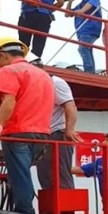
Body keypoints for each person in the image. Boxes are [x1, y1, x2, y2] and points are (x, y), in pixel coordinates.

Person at [0, 37, 54, 214]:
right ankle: (26, 212)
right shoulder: (43, 75)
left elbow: (9, 102)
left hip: (18, 132)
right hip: (42, 135)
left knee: (19, 176)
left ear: (2, 55)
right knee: (23, 173)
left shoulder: (9, 71)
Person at [30, 60, 81, 194]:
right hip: (42, 135)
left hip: (57, 133)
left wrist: (69, 130)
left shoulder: (55, 82)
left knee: (59, 175)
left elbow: (70, 106)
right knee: (45, 175)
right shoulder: (34, 84)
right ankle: (50, 211)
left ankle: (64, 213)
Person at [65, 0, 102, 73]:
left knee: (83, 48)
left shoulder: (93, 1)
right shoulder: (80, 4)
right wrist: (70, 2)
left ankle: (89, 71)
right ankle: (91, 71)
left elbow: (84, 9)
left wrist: (81, 11)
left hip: (90, 29)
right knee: (87, 49)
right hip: (82, 31)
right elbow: (67, 14)